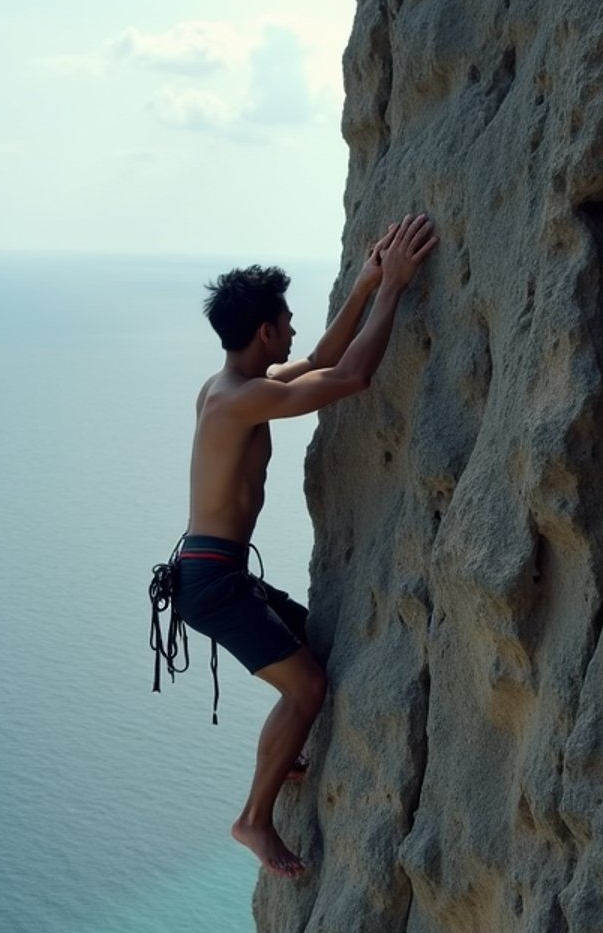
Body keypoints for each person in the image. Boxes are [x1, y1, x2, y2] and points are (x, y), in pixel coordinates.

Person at [172, 212, 438, 879]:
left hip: (216, 571)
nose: (292, 329)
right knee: (310, 687)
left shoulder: (228, 387)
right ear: (264, 331)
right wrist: (395, 289)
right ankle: (252, 820)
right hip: (213, 584)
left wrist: (364, 285)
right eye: (285, 320)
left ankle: (283, 752)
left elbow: (319, 362)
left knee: (310, 655)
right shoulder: (238, 401)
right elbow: (348, 379)